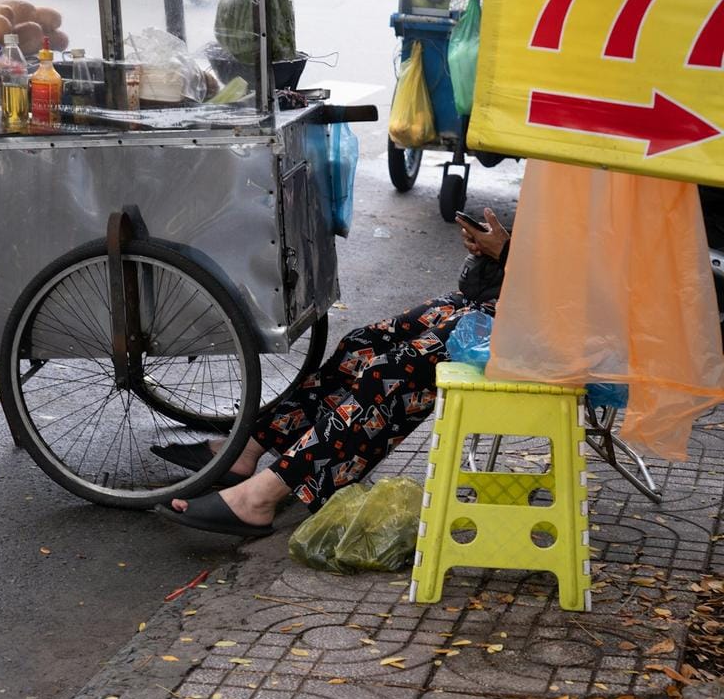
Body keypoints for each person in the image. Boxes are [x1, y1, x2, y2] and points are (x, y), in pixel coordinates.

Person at [154, 208, 511, 539]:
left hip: (533, 329)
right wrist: (499, 248)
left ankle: (262, 497)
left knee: (390, 375)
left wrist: (507, 251)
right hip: (506, 300)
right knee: (362, 345)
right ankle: (250, 449)